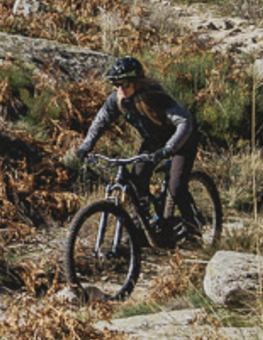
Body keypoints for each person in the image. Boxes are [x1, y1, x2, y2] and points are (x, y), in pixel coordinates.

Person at [71, 57, 199, 234]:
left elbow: (184, 121)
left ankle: (193, 228)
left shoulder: (155, 97)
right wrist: (86, 146)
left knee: (176, 187)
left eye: (125, 85)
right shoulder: (117, 100)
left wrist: (169, 148)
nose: (120, 89)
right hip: (154, 141)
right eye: (117, 85)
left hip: (183, 141)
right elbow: (100, 122)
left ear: (137, 82)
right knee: (137, 181)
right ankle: (141, 229)